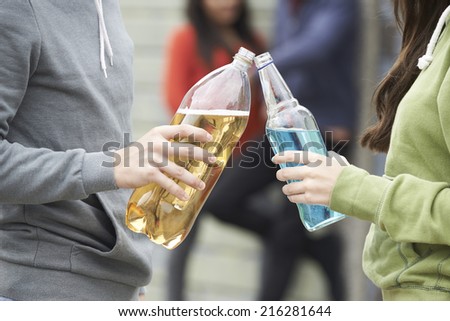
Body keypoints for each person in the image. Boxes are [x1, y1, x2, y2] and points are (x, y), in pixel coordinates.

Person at [0, 0, 214, 301]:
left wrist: (134, 283)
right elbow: (112, 165)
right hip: (41, 288)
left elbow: (105, 137)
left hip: (117, 285)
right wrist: (113, 166)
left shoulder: (106, 6)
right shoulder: (15, 8)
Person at [164, 0, 359, 301]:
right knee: (220, 202)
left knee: (288, 231)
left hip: (323, 131)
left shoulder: (336, 6)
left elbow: (314, 48)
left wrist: (259, 68)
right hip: (271, 135)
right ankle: (320, 247)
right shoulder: (284, 8)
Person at [273, 0, 450, 301]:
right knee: (282, 232)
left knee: (284, 234)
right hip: (409, 289)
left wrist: (356, 189)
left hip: (432, 293)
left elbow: (315, 48)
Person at [162, 0, 268, 300]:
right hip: (197, 152)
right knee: (179, 230)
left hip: (244, 157)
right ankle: (174, 303)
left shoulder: (254, 43)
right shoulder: (187, 39)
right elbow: (175, 97)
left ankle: (310, 246)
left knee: (245, 212)